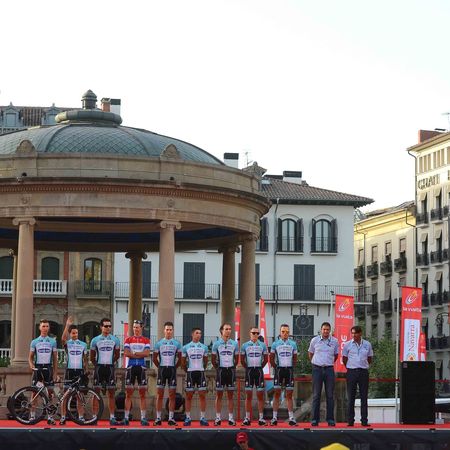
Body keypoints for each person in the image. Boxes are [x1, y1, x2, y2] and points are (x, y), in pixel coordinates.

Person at [90, 318, 121, 425]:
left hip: (110, 368)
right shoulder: (95, 340)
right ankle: (94, 417)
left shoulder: (115, 340)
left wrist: (110, 363)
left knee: (111, 393)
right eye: (106, 326)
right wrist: (97, 365)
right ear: (101, 327)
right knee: (96, 393)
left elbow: (117, 355)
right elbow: (92, 357)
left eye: (109, 326)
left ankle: (112, 417)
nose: (108, 328)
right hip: (99, 368)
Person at [308, 321, 339, 427]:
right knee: (316, 395)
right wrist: (316, 363)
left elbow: (336, 355)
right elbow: (310, 353)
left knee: (330, 395)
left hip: (329, 369)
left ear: (330, 331)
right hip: (317, 369)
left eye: (327, 330)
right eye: (324, 329)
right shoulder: (314, 340)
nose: (325, 331)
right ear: (321, 330)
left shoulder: (335, 341)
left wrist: (328, 363)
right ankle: (314, 420)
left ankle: (330, 419)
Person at [342, 325, 373, 427]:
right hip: (351, 372)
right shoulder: (347, 345)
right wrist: (351, 367)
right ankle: (350, 421)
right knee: (351, 397)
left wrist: (363, 365)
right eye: (352, 333)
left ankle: (364, 420)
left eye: (355, 333)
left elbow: (370, 358)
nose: (353, 335)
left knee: (364, 397)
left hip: (363, 372)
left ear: (360, 333)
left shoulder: (367, 344)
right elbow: (344, 359)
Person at [152, 321, 182, 426]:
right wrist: (160, 367)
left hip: (172, 370)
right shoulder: (159, 343)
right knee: (159, 395)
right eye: (167, 330)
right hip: (162, 370)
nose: (168, 331)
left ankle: (171, 418)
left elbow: (180, 358)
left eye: (170, 330)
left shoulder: (177, 343)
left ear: (172, 331)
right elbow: (154, 358)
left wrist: (174, 367)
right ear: (164, 331)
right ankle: (158, 418)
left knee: (172, 395)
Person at [60, 316, 89, 425]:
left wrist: (86, 369)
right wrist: (67, 325)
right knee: (65, 395)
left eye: (76, 333)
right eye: (73, 333)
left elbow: (85, 359)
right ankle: (63, 416)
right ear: (70, 334)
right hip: (69, 371)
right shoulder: (68, 343)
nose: (75, 335)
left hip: (79, 371)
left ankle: (81, 416)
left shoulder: (83, 344)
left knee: (79, 395)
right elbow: (63, 339)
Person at [28, 319, 58, 423]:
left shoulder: (53, 341)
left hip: (48, 368)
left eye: (47, 326)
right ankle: (32, 415)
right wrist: (31, 365)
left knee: (50, 392)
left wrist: (55, 372)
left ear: (49, 328)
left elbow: (55, 358)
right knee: (35, 392)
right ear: (40, 328)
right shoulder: (34, 341)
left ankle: (50, 416)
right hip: (38, 368)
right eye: (43, 326)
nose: (45, 328)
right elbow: (30, 357)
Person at [123, 319, 151, 426]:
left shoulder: (146, 340)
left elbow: (147, 353)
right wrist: (140, 354)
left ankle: (143, 418)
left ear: (141, 328)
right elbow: (126, 353)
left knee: (142, 393)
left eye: (137, 327)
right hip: (131, 367)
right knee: (128, 393)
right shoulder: (128, 339)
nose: (135, 329)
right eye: (134, 327)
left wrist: (134, 353)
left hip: (141, 368)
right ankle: (126, 417)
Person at [269, 323, 298, 426]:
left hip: (289, 370)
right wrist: (276, 368)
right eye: (283, 332)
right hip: (279, 370)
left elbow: (295, 358)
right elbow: (271, 358)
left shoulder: (293, 344)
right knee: (277, 393)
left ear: (289, 333)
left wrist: (292, 367)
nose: (285, 333)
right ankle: (274, 418)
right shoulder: (275, 344)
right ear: (280, 332)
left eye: (287, 332)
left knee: (289, 394)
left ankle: (291, 418)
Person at [240, 326, 268, 426]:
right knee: (248, 395)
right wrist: (248, 368)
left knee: (260, 395)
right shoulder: (244, 345)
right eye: (253, 333)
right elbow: (242, 360)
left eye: (257, 333)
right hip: (249, 371)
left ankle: (261, 418)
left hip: (259, 371)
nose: (255, 335)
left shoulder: (263, 345)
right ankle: (247, 418)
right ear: (250, 334)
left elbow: (266, 359)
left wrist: (260, 367)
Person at [212, 323, 239, 426]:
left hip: (230, 370)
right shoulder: (216, 344)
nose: (228, 331)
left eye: (230, 329)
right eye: (226, 329)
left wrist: (232, 367)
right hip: (221, 371)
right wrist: (218, 368)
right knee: (219, 395)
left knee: (230, 395)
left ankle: (231, 418)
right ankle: (218, 418)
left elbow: (236, 359)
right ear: (221, 331)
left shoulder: (235, 344)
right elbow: (213, 360)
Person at [181, 327, 209, 426]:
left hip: (200, 372)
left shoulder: (204, 347)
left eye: (200, 333)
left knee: (202, 395)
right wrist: (187, 370)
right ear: (192, 334)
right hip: (190, 373)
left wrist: (202, 368)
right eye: (197, 333)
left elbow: (206, 361)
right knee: (189, 396)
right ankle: (188, 417)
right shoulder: (186, 347)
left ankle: (203, 417)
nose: (199, 335)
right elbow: (183, 362)